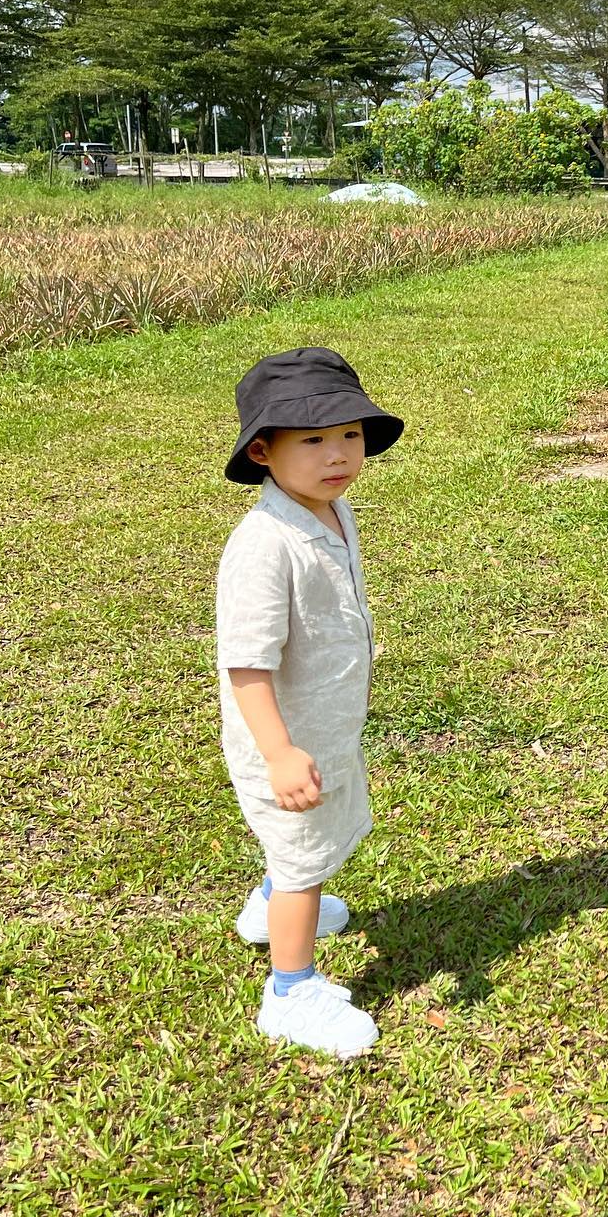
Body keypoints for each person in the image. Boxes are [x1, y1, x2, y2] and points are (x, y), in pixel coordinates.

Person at [216, 346, 404, 1058]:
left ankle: (268, 908)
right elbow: (246, 663)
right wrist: (279, 751)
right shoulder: (264, 545)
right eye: (315, 440)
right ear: (264, 451)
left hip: (323, 722)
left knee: (304, 845)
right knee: (305, 860)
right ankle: (290, 989)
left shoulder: (330, 509)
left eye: (351, 435)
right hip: (285, 737)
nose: (339, 455)